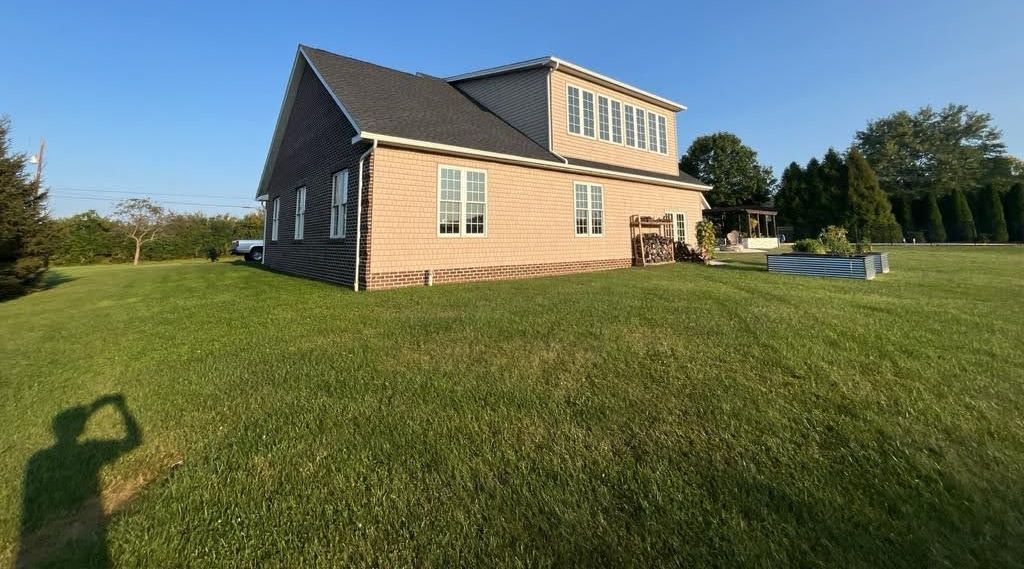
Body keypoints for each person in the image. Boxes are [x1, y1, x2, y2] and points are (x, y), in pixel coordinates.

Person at [18, 394, 141, 568]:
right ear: (81, 428)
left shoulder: (37, 460)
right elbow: (133, 440)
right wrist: (121, 408)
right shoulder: (88, 449)